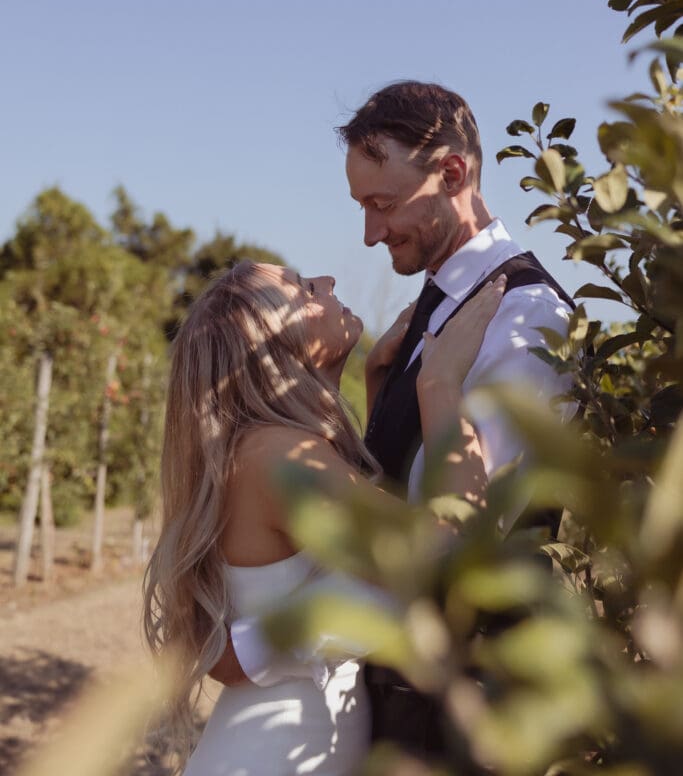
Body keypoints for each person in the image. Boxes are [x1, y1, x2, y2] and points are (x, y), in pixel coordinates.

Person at [143, 257, 506, 775]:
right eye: (304, 288)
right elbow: (443, 545)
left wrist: (375, 388)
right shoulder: (278, 457)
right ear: (273, 343)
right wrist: (440, 384)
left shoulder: (265, 450)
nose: (329, 282)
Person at [336, 79, 575, 757]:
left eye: (381, 205)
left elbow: (463, 534)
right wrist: (378, 387)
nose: (369, 233)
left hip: (464, 704)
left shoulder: (525, 316)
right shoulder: (440, 303)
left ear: (451, 174)